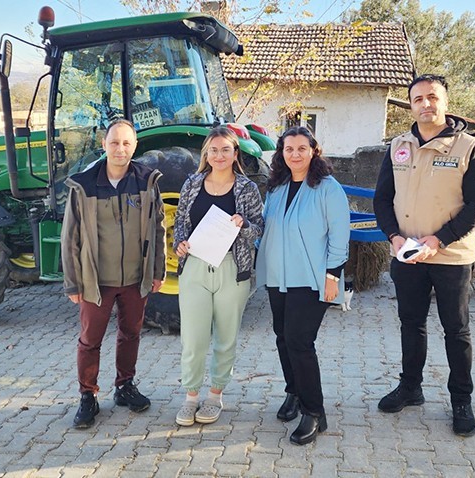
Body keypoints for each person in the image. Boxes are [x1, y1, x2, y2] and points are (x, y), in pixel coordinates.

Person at [373, 74, 475, 437]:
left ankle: (461, 399)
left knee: (455, 330)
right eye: (418, 99)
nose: (426, 104)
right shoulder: (397, 146)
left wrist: (438, 240)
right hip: (407, 256)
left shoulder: (469, 147)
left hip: (450, 257)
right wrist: (393, 237)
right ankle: (410, 388)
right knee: (411, 324)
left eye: (432, 97)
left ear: (444, 102)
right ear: (411, 104)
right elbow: (382, 199)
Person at [61, 119, 166, 428]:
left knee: (131, 333)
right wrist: (73, 281)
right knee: (90, 340)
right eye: (114, 142)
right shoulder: (84, 185)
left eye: (126, 143)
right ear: (104, 145)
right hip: (96, 280)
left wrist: (157, 270)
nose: (120, 149)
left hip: (135, 278)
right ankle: (88, 395)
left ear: (134, 147)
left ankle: (125, 386)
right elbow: (71, 237)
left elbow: (158, 229)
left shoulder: (147, 182)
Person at [256, 126, 350, 445]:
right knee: (283, 337)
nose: (295, 154)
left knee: (299, 341)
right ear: (281, 153)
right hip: (278, 276)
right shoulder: (277, 187)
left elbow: (339, 236)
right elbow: (265, 227)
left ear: (314, 151)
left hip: (312, 279)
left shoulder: (327, 188)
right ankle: (293, 392)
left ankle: (314, 412)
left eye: (301, 148)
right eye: (288, 149)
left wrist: (332, 276)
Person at [172, 127, 264, 426]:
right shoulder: (192, 183)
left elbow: (259, 228)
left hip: (231, 268)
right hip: (196, 266)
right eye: (214, 150)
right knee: (194, 337)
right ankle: (191, 396)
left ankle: (215, 395)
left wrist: (243, 224)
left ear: (235, 153)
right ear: (206, 154)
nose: (220, 155)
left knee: (226, 336)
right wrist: (179, 244)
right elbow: (180, 222)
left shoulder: (247, 188)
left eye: (226, 150)